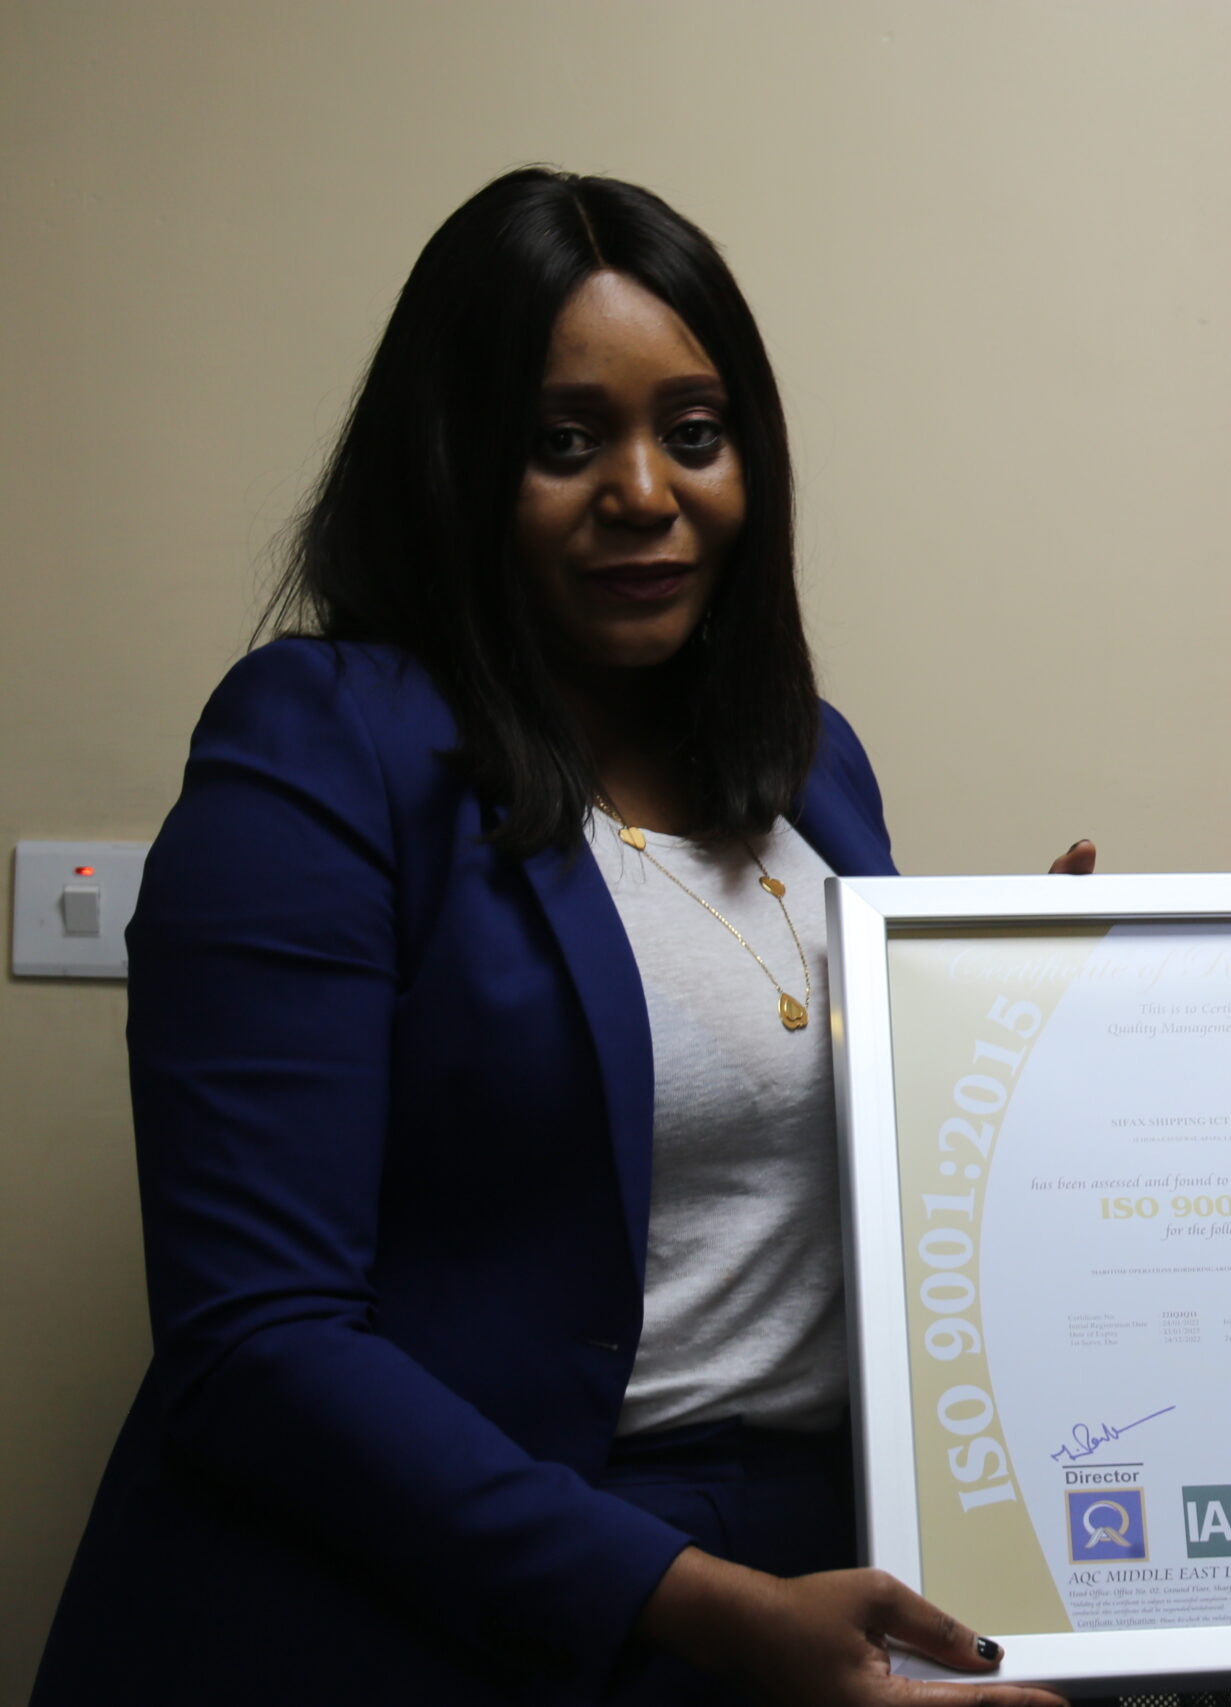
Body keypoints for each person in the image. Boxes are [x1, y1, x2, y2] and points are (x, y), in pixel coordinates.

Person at [34, 168, 1086, 1707]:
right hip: (448, 1606)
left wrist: (1040, 1037)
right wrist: (697, 1604)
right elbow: (254, 1341)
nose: (645, 491)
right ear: (453, 467)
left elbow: (851, 1214)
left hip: (820, 1561)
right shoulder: (322, 745)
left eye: (696, 433)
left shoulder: (813, 766)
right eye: (564, 441)